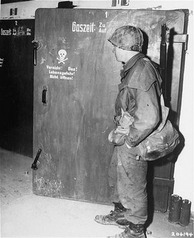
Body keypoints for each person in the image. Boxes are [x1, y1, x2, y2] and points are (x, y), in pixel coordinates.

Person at [94, 25, 163, 238]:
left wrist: (130, 141)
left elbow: (150, 117)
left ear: (124, 47)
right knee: (118, 177)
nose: (113, 50)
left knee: (133, 186)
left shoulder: (141, 70)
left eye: (115, 46)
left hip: (135, 139)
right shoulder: (133, 67)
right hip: (127, 133)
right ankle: (121, 214)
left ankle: (135, 231)